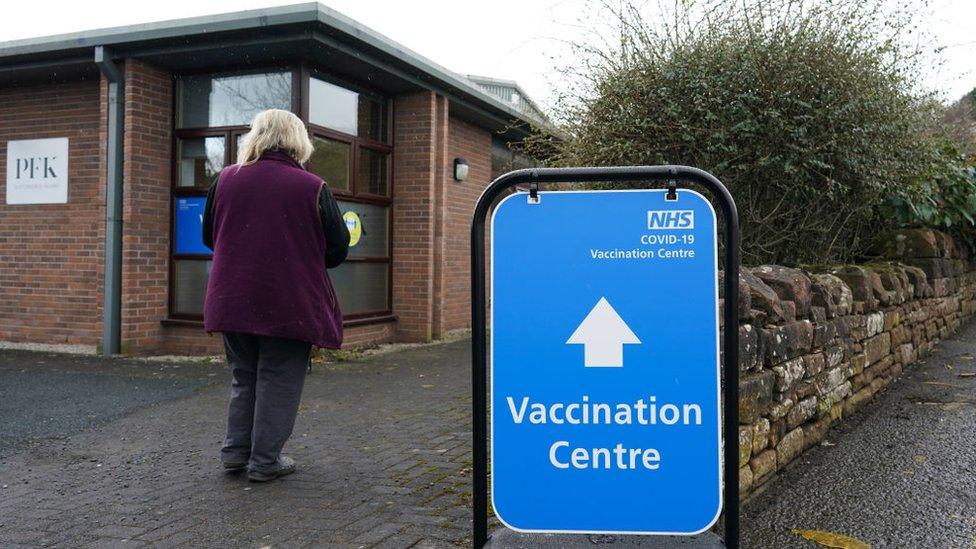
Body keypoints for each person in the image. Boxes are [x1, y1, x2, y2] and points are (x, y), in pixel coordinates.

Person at [201, 108, 350, 482]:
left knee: (244, 376)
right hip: (290, 301)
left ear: (256, 136)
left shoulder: (224, 180)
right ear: (298, 141)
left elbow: (209, 237)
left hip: (231, 298)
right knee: (278, 377)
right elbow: (338, 248)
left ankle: (236, 452)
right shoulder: (312, 186)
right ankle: (265, 461)